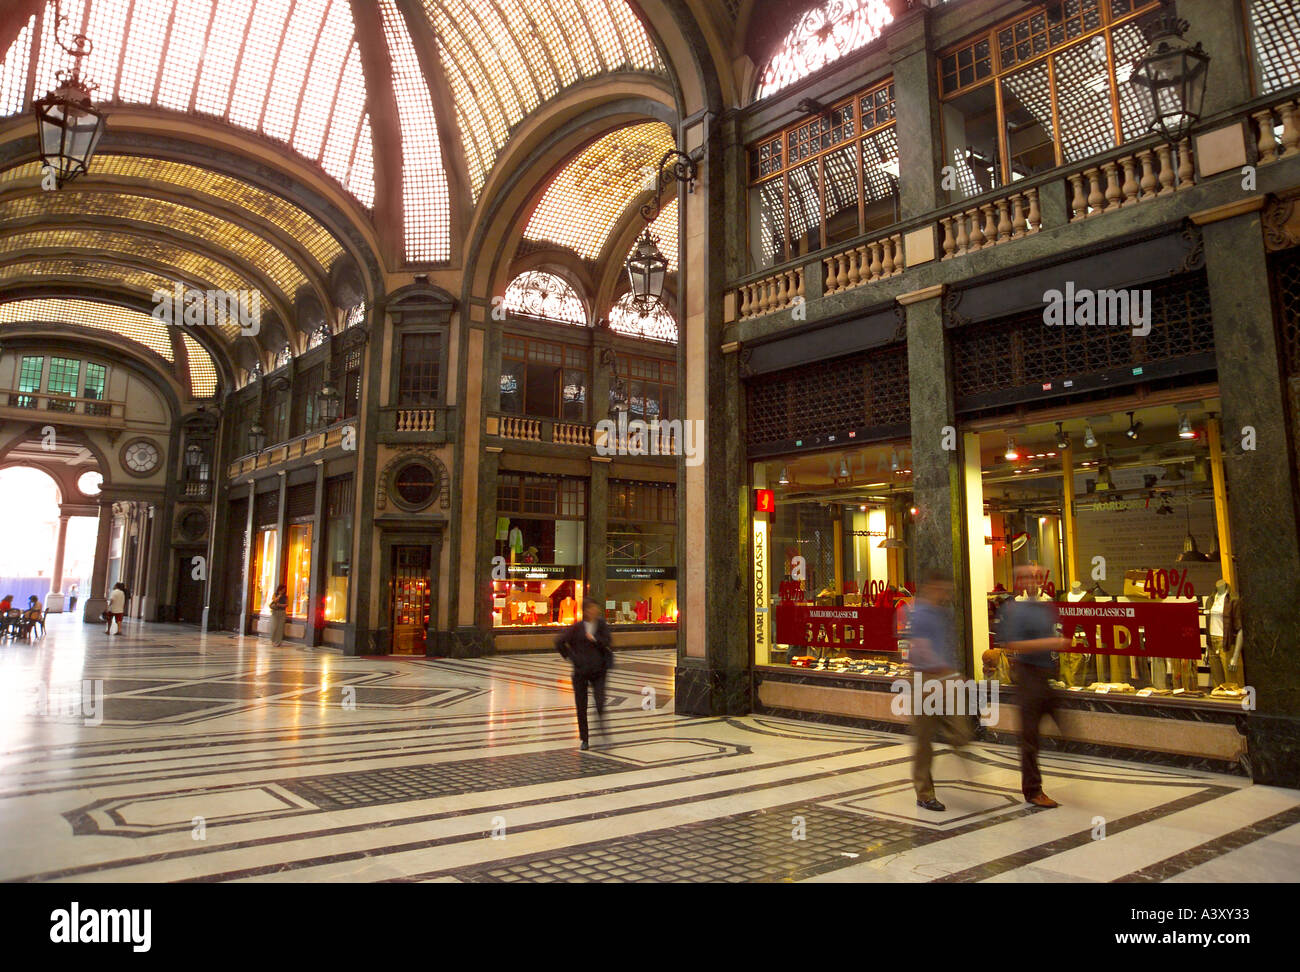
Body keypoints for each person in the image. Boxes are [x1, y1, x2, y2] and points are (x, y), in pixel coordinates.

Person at [996, 564, 1069, 808]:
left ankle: (1073, 753)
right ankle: (1033, 791)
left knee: (1064, 726)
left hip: (1046, 676)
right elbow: (1011, 643)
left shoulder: (1045, 607)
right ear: (1018, 581)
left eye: (1035, 576)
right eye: (1026, 577)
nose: (1031, 581)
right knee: (1029, 737)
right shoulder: (1014, 609)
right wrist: (1050, 642)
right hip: (1027, 678)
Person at [908, 569, 974, 812]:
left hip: (946, 678)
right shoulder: (920, 614)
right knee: (923, 740)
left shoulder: (943, 613)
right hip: (925, 679)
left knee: (961, 730)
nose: (946, 593)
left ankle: (949, 735)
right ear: (931, 587)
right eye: (943, 589)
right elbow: (922, 649)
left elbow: (947, 646)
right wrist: (950, 673)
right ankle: (924, 794)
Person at [554, 597, 614, 750]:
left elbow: (608, 641)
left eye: (596, 608)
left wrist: (594, 639)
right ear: (586, 610)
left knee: (600, 702)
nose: (595, 611)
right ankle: (585, 738)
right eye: (592, 608)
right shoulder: (577, 627)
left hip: (599, 671)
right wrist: (571, 657)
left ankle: (604, 733)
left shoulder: (601, 625)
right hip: (581, 672)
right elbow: (559, 641)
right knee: (581, 706)